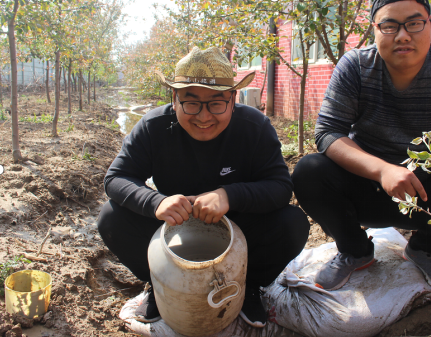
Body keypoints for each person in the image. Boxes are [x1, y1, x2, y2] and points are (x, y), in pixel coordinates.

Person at [292, 0, 431, 296]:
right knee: (309, 171)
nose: (403, 35)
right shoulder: (356, 66)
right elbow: (328, 132)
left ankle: (426, 248)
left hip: (427, 194)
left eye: (413, 23)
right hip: (367, 187)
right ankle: (355, 250)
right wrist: (382, 170)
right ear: (375, 30)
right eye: (389, 25)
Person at [97, 46, 310, 328]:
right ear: (174, 99)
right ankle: (158, 283)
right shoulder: (154, 127)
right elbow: (116, 178)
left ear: (234, 100)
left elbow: (281, 187)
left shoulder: (254, 127)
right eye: (191, 102)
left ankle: (249, 287)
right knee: (112, 218)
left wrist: (229, 195)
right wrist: (156, 203)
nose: (204, 116)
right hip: (174, 227)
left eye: (216, 103)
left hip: (242, 227)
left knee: (292, 223)